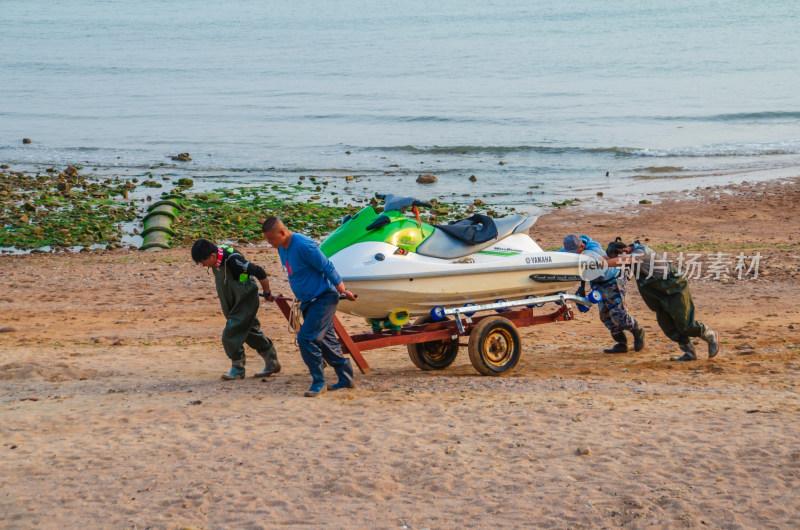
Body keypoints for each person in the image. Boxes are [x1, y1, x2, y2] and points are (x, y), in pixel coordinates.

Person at [261, 216, 357, 397]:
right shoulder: (281, 246)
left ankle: (319, 382)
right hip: (307, 301)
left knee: (306, 338)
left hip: (323, 298)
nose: (270, 244)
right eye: (267, 240)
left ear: (283, 233)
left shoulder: (304, 245)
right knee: (327, 341)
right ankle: (346, 379)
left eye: (271, 239)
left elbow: (327, 266)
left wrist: (344, 291)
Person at [605, 238, 719, 361]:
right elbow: (606, 258)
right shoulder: (628, 254)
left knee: (685, 323)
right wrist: (592, 261)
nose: (618, 263)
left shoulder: (641, 251)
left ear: (624, 251)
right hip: (655, 292)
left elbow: (627, 260)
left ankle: (710, 335)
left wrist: (604, 264)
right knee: (667, 324)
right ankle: (689, 352)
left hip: (675, 286)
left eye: (617, 259)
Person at [191, 238, 280, 379]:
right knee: (250, 332)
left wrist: (267, 292)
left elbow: (260, 272)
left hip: (245, 300)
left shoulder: (234, 260)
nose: (203, 265)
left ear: (213, 256)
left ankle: (238, 368)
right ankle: (272, 362)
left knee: (231, 332)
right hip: (230, 299)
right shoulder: (216, 256)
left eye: (203, 262)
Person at [562, 234, 645, 354]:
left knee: (619, 315)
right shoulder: (576, 250)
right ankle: (621, 343)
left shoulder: (593, 252)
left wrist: (582, 283)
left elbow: (596, 268)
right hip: (598, 283)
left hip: (613, 281)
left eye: (575, 251)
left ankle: (638, 330)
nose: (573, 254)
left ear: (581, 246)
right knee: (605, 315)